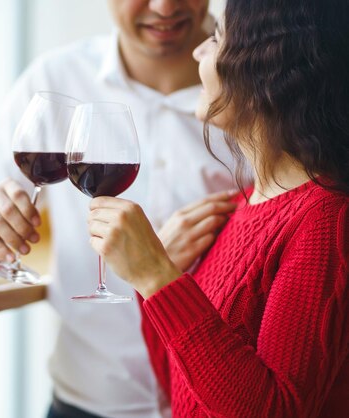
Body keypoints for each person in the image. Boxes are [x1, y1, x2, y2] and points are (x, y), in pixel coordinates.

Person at [0, 1, 240, 417]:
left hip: (225, 403)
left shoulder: (261, 84)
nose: (164, 7)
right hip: (85, 402)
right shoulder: (57, 78)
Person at [87, 0, 349, 416]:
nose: (198, 52)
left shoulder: (326, 220)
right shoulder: (234, 208)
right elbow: (184, 394)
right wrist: (153, 287)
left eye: (216, 38)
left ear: (268, 62)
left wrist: (159, 278)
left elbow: (276, 410)